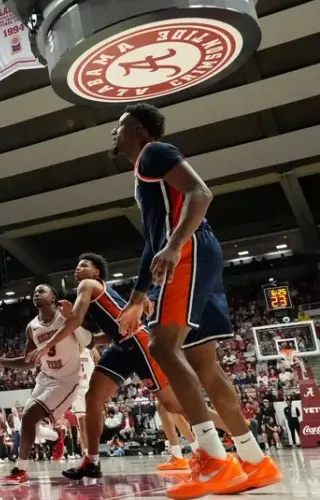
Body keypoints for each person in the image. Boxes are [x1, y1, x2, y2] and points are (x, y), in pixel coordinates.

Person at [111, 103, 281, 498]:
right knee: (205, 363)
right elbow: (151, 243)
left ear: (137, 130)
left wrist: (174, 246)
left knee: (163, 347)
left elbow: (200, 193)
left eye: (119, 128)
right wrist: (137, 297)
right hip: (193, 250)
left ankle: (213, 459)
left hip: (189, 251)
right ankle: (255, 460)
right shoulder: (146, 173)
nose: (113, 135)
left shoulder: (155, 152)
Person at [57, 254, 226, 481]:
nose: (77, 269)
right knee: (93, 397)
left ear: (96, 273)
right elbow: (98, 338)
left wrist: (57, 333)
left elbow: (77, 319)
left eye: (83, 266)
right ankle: (92, 461)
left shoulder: (87, 286)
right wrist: (78, 326)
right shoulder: (100, 296)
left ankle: (236, 429)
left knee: (175, 406)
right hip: (121, 345)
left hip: (138, 343)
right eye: (76, 266)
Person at [0, 284, 89, 485]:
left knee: (28, 417)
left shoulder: (66, 317)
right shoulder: (32, 327)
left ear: (54, 297)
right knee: (27, 423)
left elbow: (87, 339)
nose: (37, 294)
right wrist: (2, 362)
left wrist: (73, 317)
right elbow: (29, 362)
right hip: (45, 378)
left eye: (42, 291)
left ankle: (20, 470)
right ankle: (56, 436)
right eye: (34, 292)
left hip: (67, 380)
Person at [70, 346, 99, 458]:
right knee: (82, 422)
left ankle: (94, 449)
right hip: (77, 389)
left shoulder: (91, 349)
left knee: (94, 422)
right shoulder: (69, 349)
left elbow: (99, 361)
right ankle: (87, 453)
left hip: (90, 387)